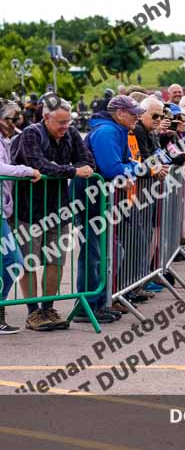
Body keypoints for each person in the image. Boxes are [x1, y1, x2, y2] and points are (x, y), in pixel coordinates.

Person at [11, 95, 96, 330]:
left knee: (56, 261)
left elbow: (88, 161)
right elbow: (37, 164)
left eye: (68, 121)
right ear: (46, 118)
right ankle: (33, 311)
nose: (65, 127)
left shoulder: (70, 134)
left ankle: (48, 308)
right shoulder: (31, 134)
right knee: (28, 262)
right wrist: (72, 170)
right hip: (27, 208)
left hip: (59, 208)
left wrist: (71, 169)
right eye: (60, 122)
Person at [73, 95, 144, 324]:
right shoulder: (107, 132)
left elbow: (126, 164)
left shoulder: (115, 130)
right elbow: (112, 168)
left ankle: (97, 303)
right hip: (91, 200)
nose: (137, 117)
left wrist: (130, 168)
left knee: (107, 252)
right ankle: (88, 306)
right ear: (120, 113)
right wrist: (132, 168)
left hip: (100, 200)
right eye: (133, 113)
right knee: (94, 254)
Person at [0, 100, 41, 334]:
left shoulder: (6, 140)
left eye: (17, 119)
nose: (15, 123)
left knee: (9, 263)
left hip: (3, 211)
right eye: (10, 119)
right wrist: (28, 170)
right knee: (13, 262)